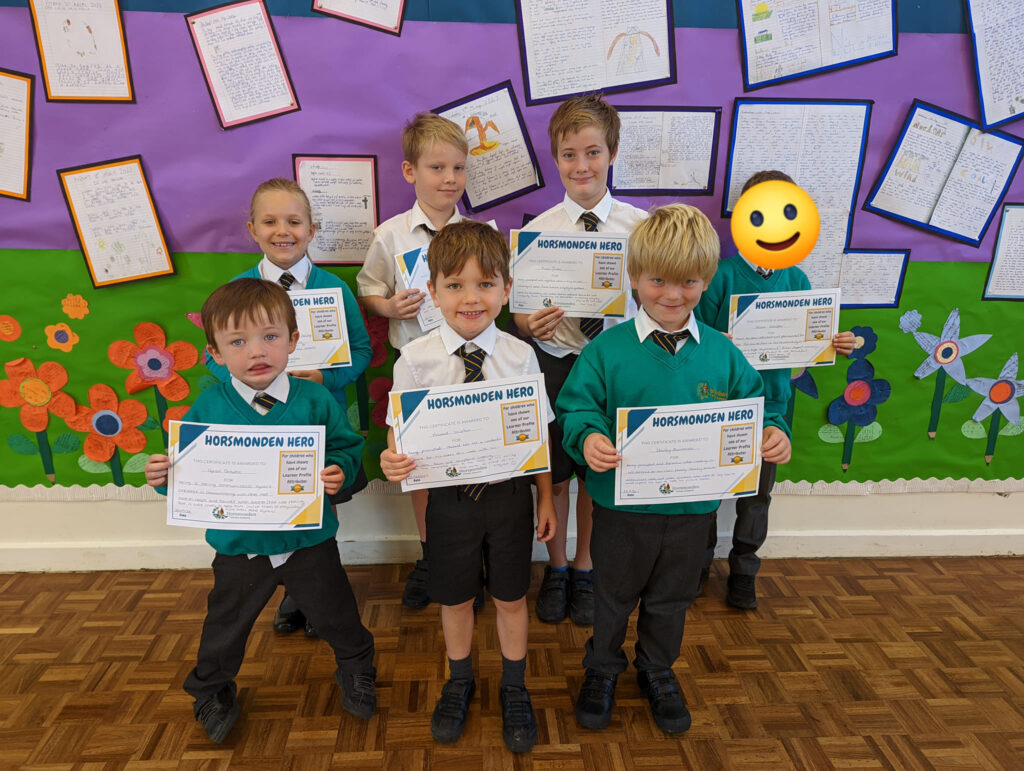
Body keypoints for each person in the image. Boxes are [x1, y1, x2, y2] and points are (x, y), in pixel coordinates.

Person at [557, 204, 793, 734]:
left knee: (671, 600)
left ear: (706, 281)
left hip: (692, 513)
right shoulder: (605, 351)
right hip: (622, 512)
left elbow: (759, 406)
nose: (671, 294)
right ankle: (602, 668)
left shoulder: (724, 354)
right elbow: (577, 408)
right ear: (635, 278)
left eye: (688, 282)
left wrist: (773, 433)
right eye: (657, 280)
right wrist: (590, 437)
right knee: (614, 597)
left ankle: (657, 669)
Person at [145, 278, 375, 743]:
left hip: (307, 542)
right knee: (225, 625)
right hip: (241, 547)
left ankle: (357, 669)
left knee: (336, 615)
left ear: (293, 341)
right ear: (215, 351)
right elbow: (194, 479)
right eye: (238, 341)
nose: (256, 352)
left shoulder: (315, 400)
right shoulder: (209, 405)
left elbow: (349, 451)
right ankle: (210, 689)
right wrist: (165, 479)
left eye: (270, 337)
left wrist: (339, 470)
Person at [380, 221, 557, 753]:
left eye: (485, 284)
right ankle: (459, 681)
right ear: (432, 293)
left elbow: (539, 432)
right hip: (449, 504)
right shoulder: (415, 360)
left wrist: (546, 496)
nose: (470, 297)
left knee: (509, 597)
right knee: (454, 599)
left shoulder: (521, 355)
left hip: (507, 500)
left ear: (506, 290)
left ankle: (514, 686)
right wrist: (392, 459)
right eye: (454, 285)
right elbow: (398, 433)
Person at [204, 177, 372, 638]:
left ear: (312, 229)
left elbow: (360, 350)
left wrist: (326, 377)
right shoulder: (237, 291)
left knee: (318, 506)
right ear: (252, 229)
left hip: (318, 421)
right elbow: (214, 356)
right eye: (270, 221)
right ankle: (286, 592)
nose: (284, 230)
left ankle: (308, 595)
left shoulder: (333, 287)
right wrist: (251, 385)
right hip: (255, 429)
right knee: (270, 505)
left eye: (294, 221)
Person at [512, 93, 646, 626]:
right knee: (557, 474)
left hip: (612, 367)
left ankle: (587, 568)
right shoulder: (538, 231)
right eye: (569, 154)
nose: (582, 165)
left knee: (597, 471)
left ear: (611, 153)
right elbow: (517, 312)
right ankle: (558, 567)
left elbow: (654, 302)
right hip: (556, 362)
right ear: (556, 158)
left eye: (592, 152)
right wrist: (528, 325)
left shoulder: (640, 228)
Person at [696, 170, 855, 609]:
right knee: (709, 489)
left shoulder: (797, 280)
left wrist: (830, 344)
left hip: (773, 406)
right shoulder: (720, 276)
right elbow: (699, 340)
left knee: (758, 496)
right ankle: (698, 563)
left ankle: (744, 568)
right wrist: (718, 345)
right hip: (721, 405)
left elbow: (800, 354)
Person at [357, 112, 470, 610]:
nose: (449, 179)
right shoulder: (391, 235)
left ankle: (469, 558)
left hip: (469, 366)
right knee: (422, 468)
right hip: (417, 366)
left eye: (458, 169)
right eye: (437, 168)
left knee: (468, 464)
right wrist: (388, 306)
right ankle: (431, 557)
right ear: (410, 172)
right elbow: (368, 289)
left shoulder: (478, 232)